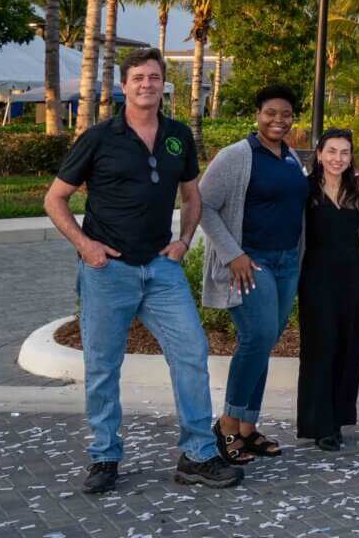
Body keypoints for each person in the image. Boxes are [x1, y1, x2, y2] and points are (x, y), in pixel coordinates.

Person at [42, 47, 240, 493]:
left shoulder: (177, 136)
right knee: (102, 365)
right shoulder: (98, 137)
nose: (147, 85)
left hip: (161, 268)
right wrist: (85, 245)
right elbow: (55, 199)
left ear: (163, 83)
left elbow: (193, 197)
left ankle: (197, 455)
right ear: (125, 85)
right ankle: (104, 456)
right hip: (108, 270)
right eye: (138, 79)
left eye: (154, 77)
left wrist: (184, 242)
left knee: (191, 352)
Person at [197, 84, 309, 465]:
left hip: (286, 262)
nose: (279, 120)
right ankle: (227, 424)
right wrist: (234, 255)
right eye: (271, 113)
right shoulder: (236, 156)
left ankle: (247, 428)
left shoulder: (291, 157)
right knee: (256, 337)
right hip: (251, 262)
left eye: (286, 114)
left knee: (265, 342)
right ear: (257, 114)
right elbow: (203, 206)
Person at [296, 128, 359, 451]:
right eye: (332, 151)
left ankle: (337, 419)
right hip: (316, 278)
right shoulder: (306, 189)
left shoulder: (358, 191)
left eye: (344, 152)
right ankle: (318, 423)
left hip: (352, 275)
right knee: (320, 348)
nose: (338, 158)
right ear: (320, 153)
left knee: (348, 346)